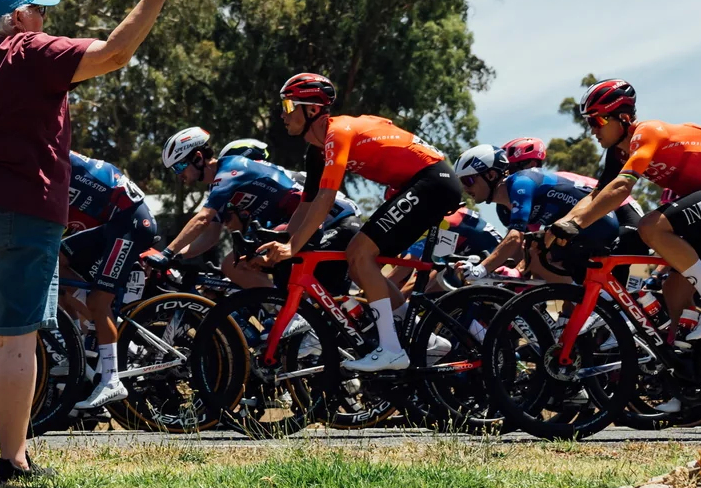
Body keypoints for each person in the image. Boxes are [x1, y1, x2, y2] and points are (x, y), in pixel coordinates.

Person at [0, 0, 194, 482]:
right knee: (17, 337)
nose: (45, 19)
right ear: (20, 16)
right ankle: (12, 460)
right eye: (40, 10)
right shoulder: (29, 51)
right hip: (14, 210)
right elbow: (115, 53)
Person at [253, 73, 462, 372]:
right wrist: (286, 243)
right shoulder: (316, 151)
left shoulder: (336, 133)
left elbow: (326, 199)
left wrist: (293, 247)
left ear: (311, 110)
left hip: (433, 181)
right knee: (361, 262)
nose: (282, 115)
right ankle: (421, 337)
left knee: (359, 253)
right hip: (420, 184)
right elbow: (308, 204)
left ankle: (390, 349)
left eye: (288, 106)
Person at [550, 79, 701, 341]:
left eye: (598, 121)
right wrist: (563, 225)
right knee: (673, 290)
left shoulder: (646, 133)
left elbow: (620, 190)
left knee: (651, 226)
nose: (593, 130)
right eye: (589, 122)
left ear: (624, 117)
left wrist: (578, 224)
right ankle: (694, 361)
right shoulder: (617, 153)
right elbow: (595, 195)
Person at [153, 128, 361, 292]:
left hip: (333, 219)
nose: (178, 175)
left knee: (260, 261)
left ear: (198, 158)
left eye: (179, 167)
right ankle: (279, 311)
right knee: (235, 264)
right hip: (303, 225)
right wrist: (175, 257)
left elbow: (202, 220)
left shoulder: (231, 170)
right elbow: (210, 237)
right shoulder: (218, 186)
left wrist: (167, 251)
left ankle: (287, 313)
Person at [59, 150, 157, 410]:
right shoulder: (50, 159)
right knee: (57, 259)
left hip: (131, 225)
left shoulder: (54, 161)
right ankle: (86, 327)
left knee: (99, 301)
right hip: (114, 225)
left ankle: (112, 380)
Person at [455, 143, 620, 283]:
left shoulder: (521, 184)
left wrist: (481, 269)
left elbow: (515, 238)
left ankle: (588, 304)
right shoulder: (507, 202)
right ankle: (571, 313)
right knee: (535, 248)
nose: (465, 188)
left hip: (599, 223)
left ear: (490, 175)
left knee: (538, 258)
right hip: (581, 228)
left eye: (468, 180)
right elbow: (522, 243)